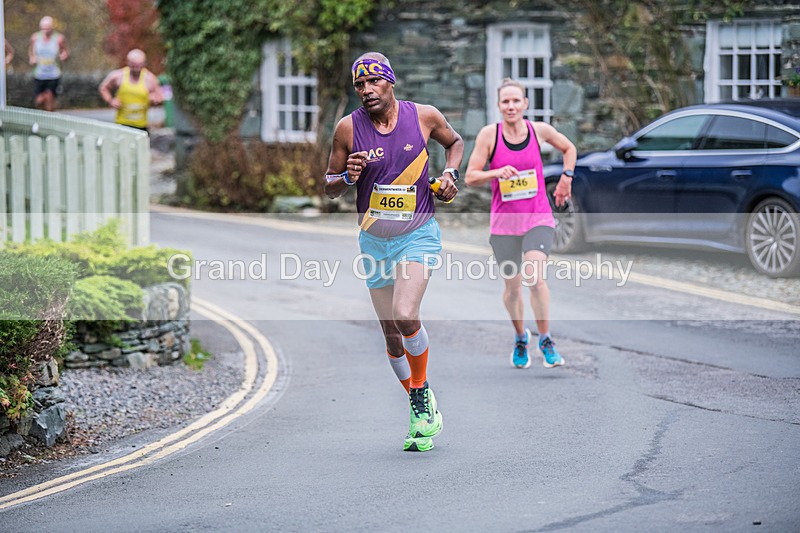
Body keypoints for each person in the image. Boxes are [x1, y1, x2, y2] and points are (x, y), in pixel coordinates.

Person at [324, 52, 463, 452]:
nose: (366, 91)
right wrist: (346, 176)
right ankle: (420, 405)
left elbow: (454, 143)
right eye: (359, 86)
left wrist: (450, 175)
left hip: (417, 233)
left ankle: (420, 394)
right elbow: (329, 183)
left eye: (373, 83)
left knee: (404, 315)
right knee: (389, 333)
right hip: (373, 239)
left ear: (390, 82)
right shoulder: (348, 128)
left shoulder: (423, 116)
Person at [465, 78, 577, 370]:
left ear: (525, 104)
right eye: (506, 101)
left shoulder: (538, 131)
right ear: (499, 105)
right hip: (504, 225)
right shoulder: (490, 136)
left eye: (517, 101)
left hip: (538, 217)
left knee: (535, 279)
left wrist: (566, 177)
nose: (511, 106)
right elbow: (470, 176)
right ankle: (520, 336)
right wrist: (496, 172)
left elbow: (569, 149)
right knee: (513, 289)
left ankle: (546, 338)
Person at [99, 49, 163, 131]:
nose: (137, 69)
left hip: (141, 125)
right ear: (128, 63)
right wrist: (110, 100)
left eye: (140, 65)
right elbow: (103, 88)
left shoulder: (150, 78)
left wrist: (155, 99)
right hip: (122, 124)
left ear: (144, 64)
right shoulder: (118, 76)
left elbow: (160, 96)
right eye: (133, 65)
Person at [28, 16, 69, 112]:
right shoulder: (35, 38)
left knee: (49, 96)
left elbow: (66, 52)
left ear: (52, 28)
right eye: (43, 28)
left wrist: (64, 55)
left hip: (53, 74)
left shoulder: (58, 38)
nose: (45, 31)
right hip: (39, 74)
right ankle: (46, 114)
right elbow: (31, 52)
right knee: (39, 100)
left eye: (47, 28)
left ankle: (50, 117)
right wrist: (32, 58)